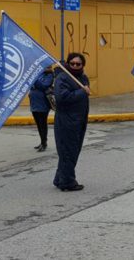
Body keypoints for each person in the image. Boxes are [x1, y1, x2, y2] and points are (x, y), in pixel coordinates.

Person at [53, 53, 90, 192]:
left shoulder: (83, 78)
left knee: (73, 150)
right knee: (68, 151)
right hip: (66, 121)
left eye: (78, 64)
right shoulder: (62, 78)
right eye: (72, 63)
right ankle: (68, 182)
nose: (75, 66)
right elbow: (61, 97)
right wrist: (82, 92)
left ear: (83, 65)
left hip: (79, 120)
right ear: (68, 63)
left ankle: (60, 178)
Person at [29, 67, 53, 152]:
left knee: (43, 124)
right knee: (38, 124)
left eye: (49, 66)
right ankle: (41, 141)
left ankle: (44, 143)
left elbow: (43, 86)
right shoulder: (39, 74)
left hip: (43, 103)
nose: (48, 68)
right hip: (34, 103)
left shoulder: (49, 75)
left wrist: (34, 79)